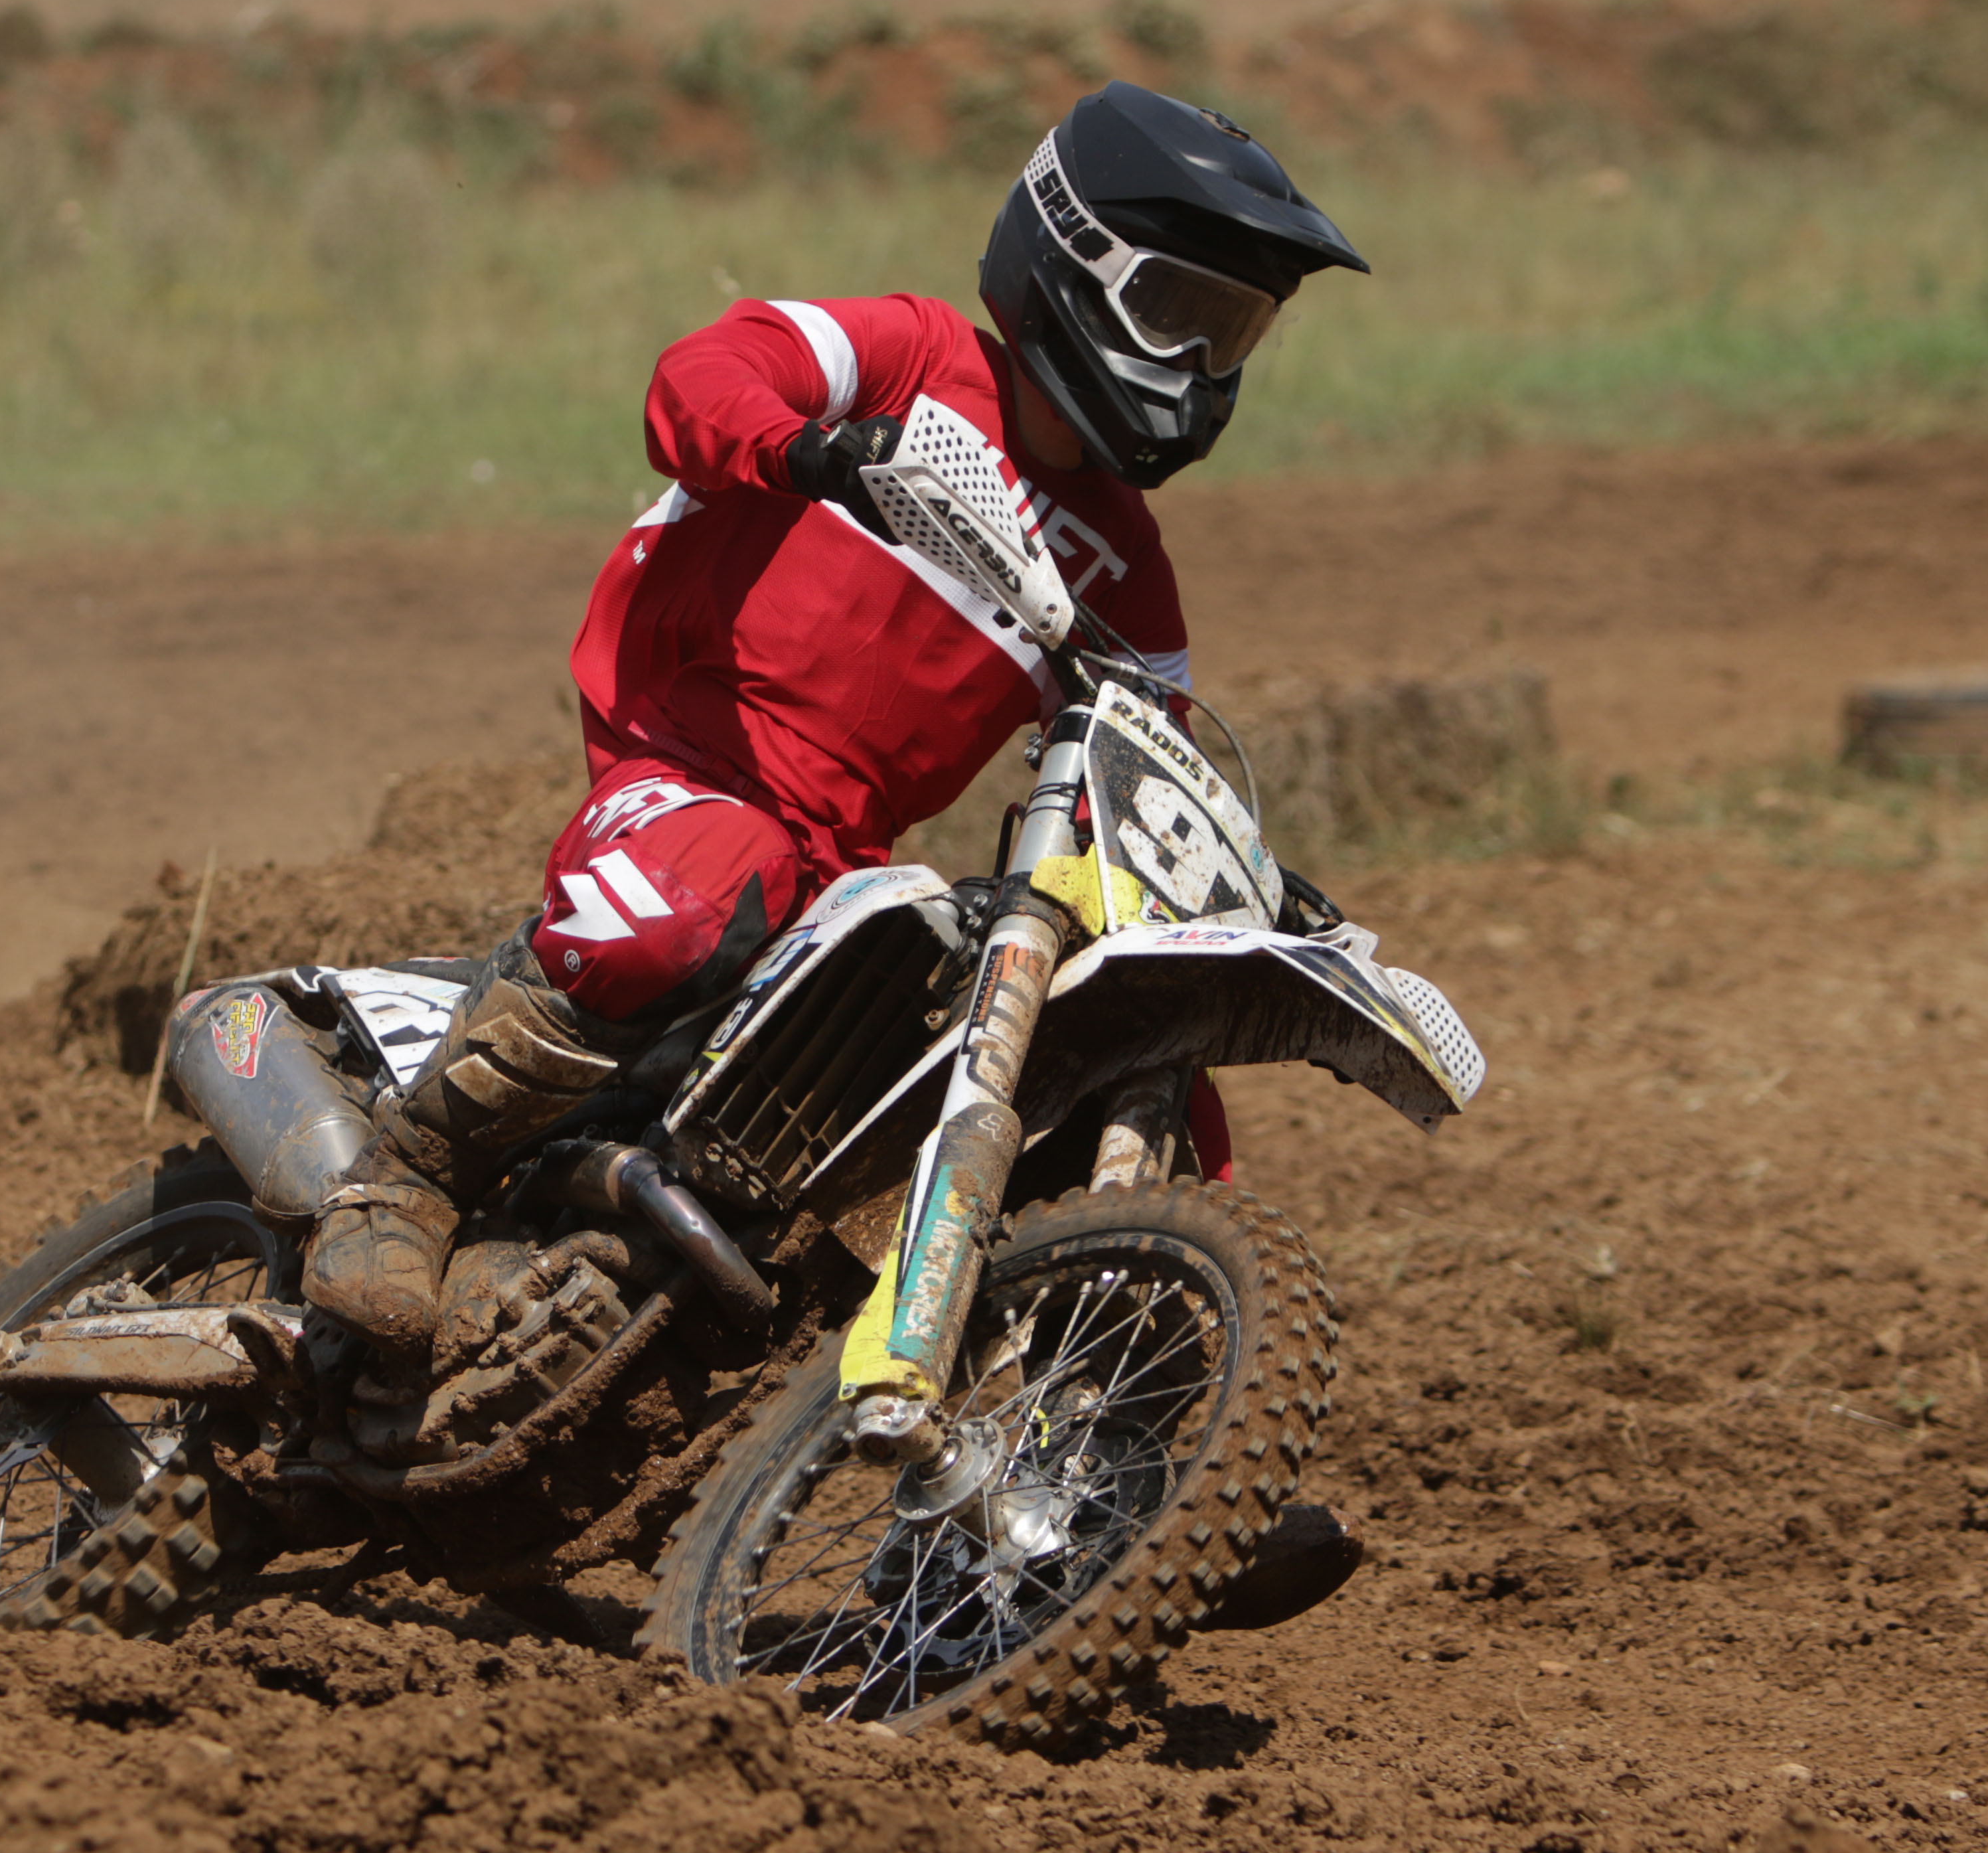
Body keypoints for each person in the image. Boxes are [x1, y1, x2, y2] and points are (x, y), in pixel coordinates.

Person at [301, 82, 1369, 1376]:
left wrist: (1244, 888)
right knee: (705, 888)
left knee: (1137, 1052)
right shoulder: (913, 357)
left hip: (849, 867)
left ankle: (1122, 1403)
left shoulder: (1126, 572)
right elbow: (701, 374)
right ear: (1075, 260)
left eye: (1230, 335)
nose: (1196, 367)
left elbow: (1147, 774)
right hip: (688, 762)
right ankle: (402, 1183)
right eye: (1175, 314)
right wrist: (807, 450)